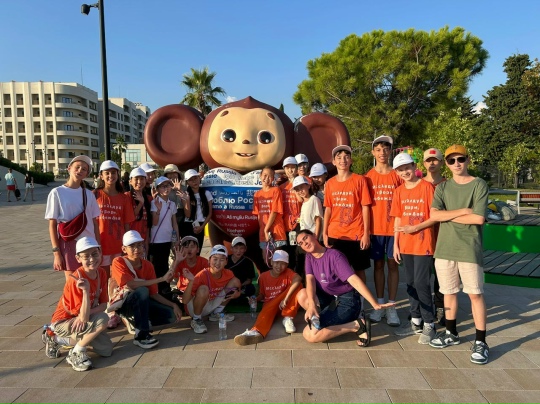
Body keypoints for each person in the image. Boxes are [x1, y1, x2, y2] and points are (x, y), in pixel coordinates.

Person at [428, 145, 490, 365]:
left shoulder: (478, 184)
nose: (456, 164)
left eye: (460, 159)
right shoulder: (443, 187)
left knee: (475, 294)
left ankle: (481, 341)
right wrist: (463, 211)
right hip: (445, 248)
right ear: (446, 163)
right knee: (448, 292)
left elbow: (478, 218)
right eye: (451, 160)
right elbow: (434, 215)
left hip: (468, 248)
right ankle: (451, 333)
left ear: (468, 160)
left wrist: (447, 215)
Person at [296, 230, 393, 346]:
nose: (305, 243)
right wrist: (312, 305)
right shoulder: (309, 257)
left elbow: (354, 280)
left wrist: (374, 303)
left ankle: (356, 325)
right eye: (301, 243)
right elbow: (310, 280)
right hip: (330, 298)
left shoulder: (334, 256)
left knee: (310, 334)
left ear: (315, 236)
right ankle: (326, 318)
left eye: (305, 238)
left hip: (347, 301)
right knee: (302, 294)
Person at [42, 237, 112, 371]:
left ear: (100, 253)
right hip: (63, 321)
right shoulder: (75, 279)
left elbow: (104, 305)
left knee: (106, 350)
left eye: (95, 254)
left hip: (82, 318)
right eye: (86, 256)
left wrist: (86, 314)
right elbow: (85, 317)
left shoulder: (101, 273)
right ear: (78, 259)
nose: (92, 259)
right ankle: (75, 352)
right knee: (103, 319)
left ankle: (59, 340)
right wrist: (85, 291)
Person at [390, 153, 437, 344]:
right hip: (405, 244)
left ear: (414, 166)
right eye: (400, 170)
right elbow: (397, 218)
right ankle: (415, 320)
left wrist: (415, 228)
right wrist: (396, 244)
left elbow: (435, 217)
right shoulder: (399, 191)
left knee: (421, 283)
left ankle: (429, 323)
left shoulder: (427, 187)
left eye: (407, 168)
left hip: (423, 243)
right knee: (410, 282)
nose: (404, 172)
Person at [111, 230, 182, 348]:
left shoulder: (148, 265)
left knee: (171, 315)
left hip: (143, 303)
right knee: (143, 290)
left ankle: (138, 320)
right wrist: (161, 279)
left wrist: (173, 305)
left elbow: (154, 294)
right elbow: (130, 285)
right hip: (124, 305)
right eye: (132, 246)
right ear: (124, 249)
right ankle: (141, 335)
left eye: (139, 245)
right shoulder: (118, 261)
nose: (136, 249)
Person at [365, 136, 402, 327]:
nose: (382, 153)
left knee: (393, 266)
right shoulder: (368, 177)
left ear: (390, 152)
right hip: (376, 230)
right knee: (378, 266)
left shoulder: (397, 175)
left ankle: (392, 306)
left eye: (385, 149)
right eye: (378, 149)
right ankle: (380, 305)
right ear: (373, 152)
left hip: (394, 229)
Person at [45, 155, 101, 281]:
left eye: (84, 169)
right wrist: (56, 253)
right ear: (69, 168)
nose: (80, 170)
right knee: (73, 282)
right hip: (69, 243)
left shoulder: (89, 194)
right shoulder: (57, 192)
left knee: (90, 280)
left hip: (89, 243)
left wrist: (99, 246)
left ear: (86, 174)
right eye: (77, 167)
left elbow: (94, 223)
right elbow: (52, 224)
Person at [323, 145, 372, 284]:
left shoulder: (359, 180)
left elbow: (365, 207)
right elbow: (328, 209)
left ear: (351, 160)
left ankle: (360, 296)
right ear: (334, 162)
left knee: (359, 270)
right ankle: (341, 296)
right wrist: (325, 233)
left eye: (346, 157)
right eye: (339, 158)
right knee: (336, 270)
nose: (343, 160)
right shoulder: (330, 183)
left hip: (356, 233)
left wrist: (366, 234)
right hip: (336, 235)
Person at [234, 250, 302, 345]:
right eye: (277, 262)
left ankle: (288, 317)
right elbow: (262, 294)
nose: (279, 266)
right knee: (265, 313)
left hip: (284, 304)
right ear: (271, 262)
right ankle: (256, 332)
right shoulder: (263, 277)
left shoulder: (288, 273)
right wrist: (255, 299)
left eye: (283, 264)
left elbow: (298, 278)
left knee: (298, 285)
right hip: (271, 304)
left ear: (287, 265)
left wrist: (286, 298)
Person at [182, 245, 242, 334]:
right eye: (215, 259)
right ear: (209, 260)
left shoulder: (228, 273)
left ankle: (216, 313)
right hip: (194, 308)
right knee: (203, 289)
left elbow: (237, 284)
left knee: (235, 281)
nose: (218, 263)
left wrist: (238, 293)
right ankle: (196, 319)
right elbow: (185, 301)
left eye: (222, 260)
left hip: (210, 303)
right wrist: (191, 281)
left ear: (226, 262)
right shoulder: (202, 275)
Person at [93, 160, 135, 277]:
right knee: (103, 277)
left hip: (118, 245)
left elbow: (127, 224)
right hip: (101, 245)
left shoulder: (124, 198)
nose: (110, 176)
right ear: (101, 176)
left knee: (119, 278)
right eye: (107, 173)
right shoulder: (94, 195)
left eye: (113, 173)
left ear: (117, 175)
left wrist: (127, 244)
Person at [423, 147, 446, 325]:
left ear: (441, 162)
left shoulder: (448, 185)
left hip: (442, 237)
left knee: (441, 276)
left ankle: (441, 308)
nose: (432, 163)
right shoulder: (417, 184)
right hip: (422, 238)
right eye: (428, 160)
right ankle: (422, 309)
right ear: (423, 163)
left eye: (435, 160)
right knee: (421, 277)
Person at [149, 176, 180, 296]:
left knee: (165, 264)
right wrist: (157, 210)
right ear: (157, 189)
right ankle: (156, 290)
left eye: (168, 185)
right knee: (156, 266)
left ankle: (164, 289)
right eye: (163, 186)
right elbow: (154, 223)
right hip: (156, 240)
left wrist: (176, 239)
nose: (166, 188)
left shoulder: (172, 204)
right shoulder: (154, 202)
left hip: (167, 239)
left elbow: (174, 223)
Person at [252, 167, 287, 266]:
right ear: (260, 176)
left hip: (276, 231)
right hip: (264, 233)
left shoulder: (276, 190)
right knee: (266, 260)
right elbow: (259, 215)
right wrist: (263, 231)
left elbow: (274, 211)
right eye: (265, 175)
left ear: (273, 178)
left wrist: (266, 229)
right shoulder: (257, 194)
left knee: (277, 261)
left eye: (270, 176)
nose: (267, 178)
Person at [293, 175, 323, 278]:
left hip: (312, 241)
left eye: (301, 187)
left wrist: (316, 238)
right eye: (297, 189)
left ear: (308, 186)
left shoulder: (314, 199)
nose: (300, 191)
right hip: (305, 242)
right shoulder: (304, 203)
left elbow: (318, 220)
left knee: (314, 269)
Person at [180, 169, 212, 248]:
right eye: (191, 180)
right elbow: (187, 215)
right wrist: (187, 200)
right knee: (187, 251)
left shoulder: (206, 193)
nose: (194, 181)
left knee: (197, 250)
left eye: (195, 178)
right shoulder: (185, 194)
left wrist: (202, 227)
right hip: (188, 225)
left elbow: (210, 213)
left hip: (201, 224)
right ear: (187, 182)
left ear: (199, 178)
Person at [280, 156, 302, 270]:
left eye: (293, 167)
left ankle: (300, 276)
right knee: (287, 252)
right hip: (285, 224)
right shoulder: (281, 187)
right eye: (287, 168)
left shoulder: (302, 184)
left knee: (299, 252)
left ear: (297, 168)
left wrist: (296, 187)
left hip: (299, 223)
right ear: (284, 169)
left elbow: (302, 200)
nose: (290, 170)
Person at [126, 167, 152, 254]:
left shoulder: (149, 198)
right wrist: (140, 204)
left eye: (142, 179)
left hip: (143, 239)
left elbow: (148, 222)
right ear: (130, 181)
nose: (139, 182)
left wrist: (147, 241)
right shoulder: (126, 197)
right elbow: (129, 218)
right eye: (136, 179)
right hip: (131, 239)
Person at [227, 236, 257, 302]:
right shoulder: (226, 259)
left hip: (241, 286)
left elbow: (249, 280)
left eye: (241, 248)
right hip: (228, 286)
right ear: (231, 248)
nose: (238, 251)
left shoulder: (248, 262)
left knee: (251, 289)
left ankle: (234, 298)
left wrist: (239, 286)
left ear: (245, 249)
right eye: (236, 248)